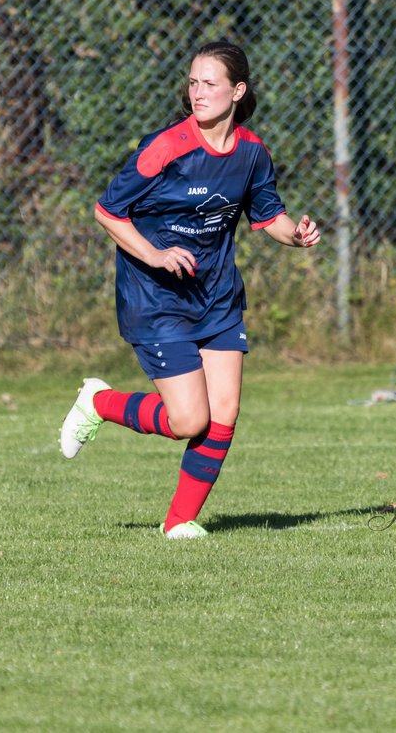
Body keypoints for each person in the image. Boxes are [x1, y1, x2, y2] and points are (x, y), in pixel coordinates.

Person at [58, 40, 321, 539]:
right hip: (156, 297)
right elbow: (107, 212)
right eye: (193, 82)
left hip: (217, 296)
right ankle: (99, 403)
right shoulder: (166, 147)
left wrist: (298, 234)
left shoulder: (251, 154)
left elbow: (269, 218)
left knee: (222, 415)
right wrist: (155, 255)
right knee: (188, 420)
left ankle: (179, 521)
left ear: (237, 91)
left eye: (211, 83)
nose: (198, 92)